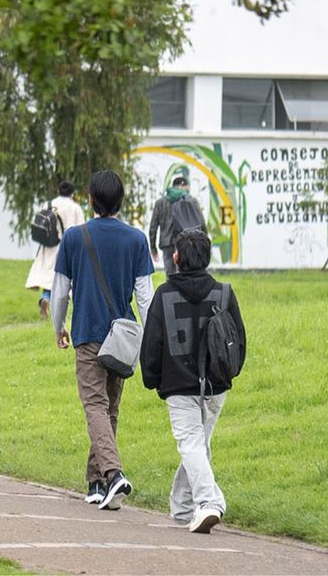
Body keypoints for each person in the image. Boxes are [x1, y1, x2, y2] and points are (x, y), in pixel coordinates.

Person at [51, 170, 153, 510]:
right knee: (109, 408)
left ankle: (112, 474)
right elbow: (145, 299)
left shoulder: (75, 238)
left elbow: (61, 292)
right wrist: (150, 338)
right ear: (121, 201)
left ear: (90, 200)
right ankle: (96, 483)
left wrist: (58, 326)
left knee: (95, 406)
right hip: (122, 337)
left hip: (88, 333)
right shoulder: (137, 240)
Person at [139, 229, 246, 534]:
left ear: (176, 258)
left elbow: (154, 342)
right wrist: (230, 374)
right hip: (216, 385)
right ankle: (183, 508)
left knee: (191, 445)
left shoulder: (164, 295)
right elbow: (239, 341)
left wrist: (152, 379)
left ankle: (210, 502)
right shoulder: (224, 293)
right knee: (198, 445)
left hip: (178, 384)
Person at [25, 181, 86, 319]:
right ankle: (51, 302)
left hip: (48, 245)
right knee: (60, 276)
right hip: (65, 244)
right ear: (72, 193)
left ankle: (45, 297)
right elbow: (81, 228)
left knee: (48, 274)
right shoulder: (75, 207)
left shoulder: (48, 204)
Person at [148, 176, 202, 276]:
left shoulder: (160, 202)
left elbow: (153, 227)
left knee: (170, 275)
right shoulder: (191, 201)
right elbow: (200, 222)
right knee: (184, 274)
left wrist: (153, 248)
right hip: (185, 242)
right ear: (184, 186)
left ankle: (170, 291)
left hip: (166, 243)